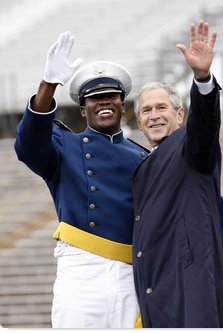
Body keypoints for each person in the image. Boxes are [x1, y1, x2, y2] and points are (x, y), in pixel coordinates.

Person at [14, 31, 149, 328]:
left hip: (131, 272)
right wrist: (48, 83)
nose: (103, 103)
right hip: (82, 271)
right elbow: (27, 145)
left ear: (122, 104)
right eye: (94, 99)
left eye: (111, 97)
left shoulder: (143, 157)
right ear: (82, 108)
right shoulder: (65, 146)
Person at [132, 20, 223, 328]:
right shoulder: (143, 164)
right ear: (139, 123)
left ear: (180, 114)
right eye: (146, 111)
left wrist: (202, 79)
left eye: (162, 108)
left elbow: (205, 123)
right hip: (156, 286)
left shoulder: (192, 147)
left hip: (189, 287)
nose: (154, 116)